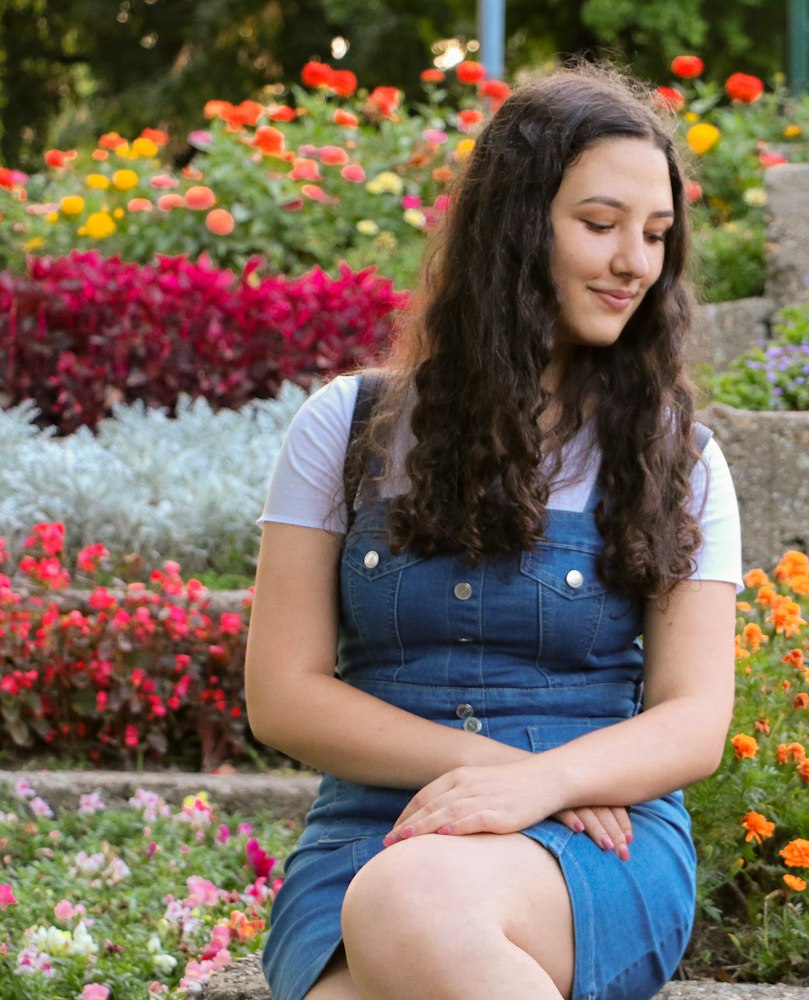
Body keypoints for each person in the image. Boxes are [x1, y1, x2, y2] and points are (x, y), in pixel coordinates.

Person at [245, 61, 741, 1000]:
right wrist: (510, 773)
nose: (635, 261)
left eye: (656, 234)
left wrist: (547, 790)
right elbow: (283, 697)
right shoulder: (348, 429)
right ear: (514, 227)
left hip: (593, 840)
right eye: (600, 225)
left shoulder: (681, 457)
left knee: (412, 903)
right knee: (388, 927)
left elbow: (693, 720)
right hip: (372, 827)